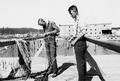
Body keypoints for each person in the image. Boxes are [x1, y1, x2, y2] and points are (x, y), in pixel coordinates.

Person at [68, 5, 105, 81]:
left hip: (80, 43)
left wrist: (75, 41)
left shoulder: (80, 19)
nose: (70, 15)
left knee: (80, 63)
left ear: (75, 11)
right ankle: (83, 78)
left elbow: (83, 32)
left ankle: (81, 79)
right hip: (79, 42)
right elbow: (77, 32)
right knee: (82, 62)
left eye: (71, 13)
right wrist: (72, 38)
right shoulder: (76, 20)